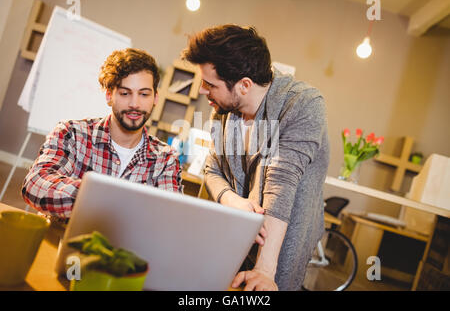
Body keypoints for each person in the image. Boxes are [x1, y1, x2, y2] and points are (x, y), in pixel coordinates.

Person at [182, 24, 329, 291]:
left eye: (209, 84)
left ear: (244, 85)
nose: (202, 90)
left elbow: (281, 183)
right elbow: (212, 168)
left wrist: (264, 269)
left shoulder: (302, 104)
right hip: (229, 238)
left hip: (278, 247)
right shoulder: (226, 110)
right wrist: (232, 200)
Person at [22, 48, 182, 221]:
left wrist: (93, 201)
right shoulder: (72, 133)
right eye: (125, 93)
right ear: (109, 95)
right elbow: (35, 183)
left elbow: (169, 218)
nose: (135, 103)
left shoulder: (166, 159)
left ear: (155, 98)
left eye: (144, 94)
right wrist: (110, 201)